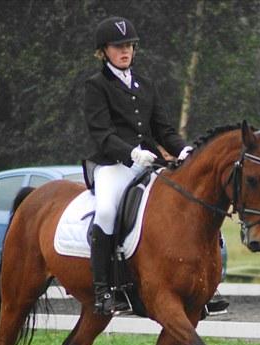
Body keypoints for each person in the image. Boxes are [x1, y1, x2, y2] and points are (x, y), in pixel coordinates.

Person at [83, 16, 193, 315]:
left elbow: (163, 129)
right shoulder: (96, 86)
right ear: (103, 51)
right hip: (113, 165)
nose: (125, 51)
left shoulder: (146, 84)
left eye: (129, 46)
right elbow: (102, 134)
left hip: (148, 164)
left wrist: (183, 149)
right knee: (106, 211)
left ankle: (200, 286)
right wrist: (131, 153)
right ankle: (103, 290)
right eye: (118, 46)